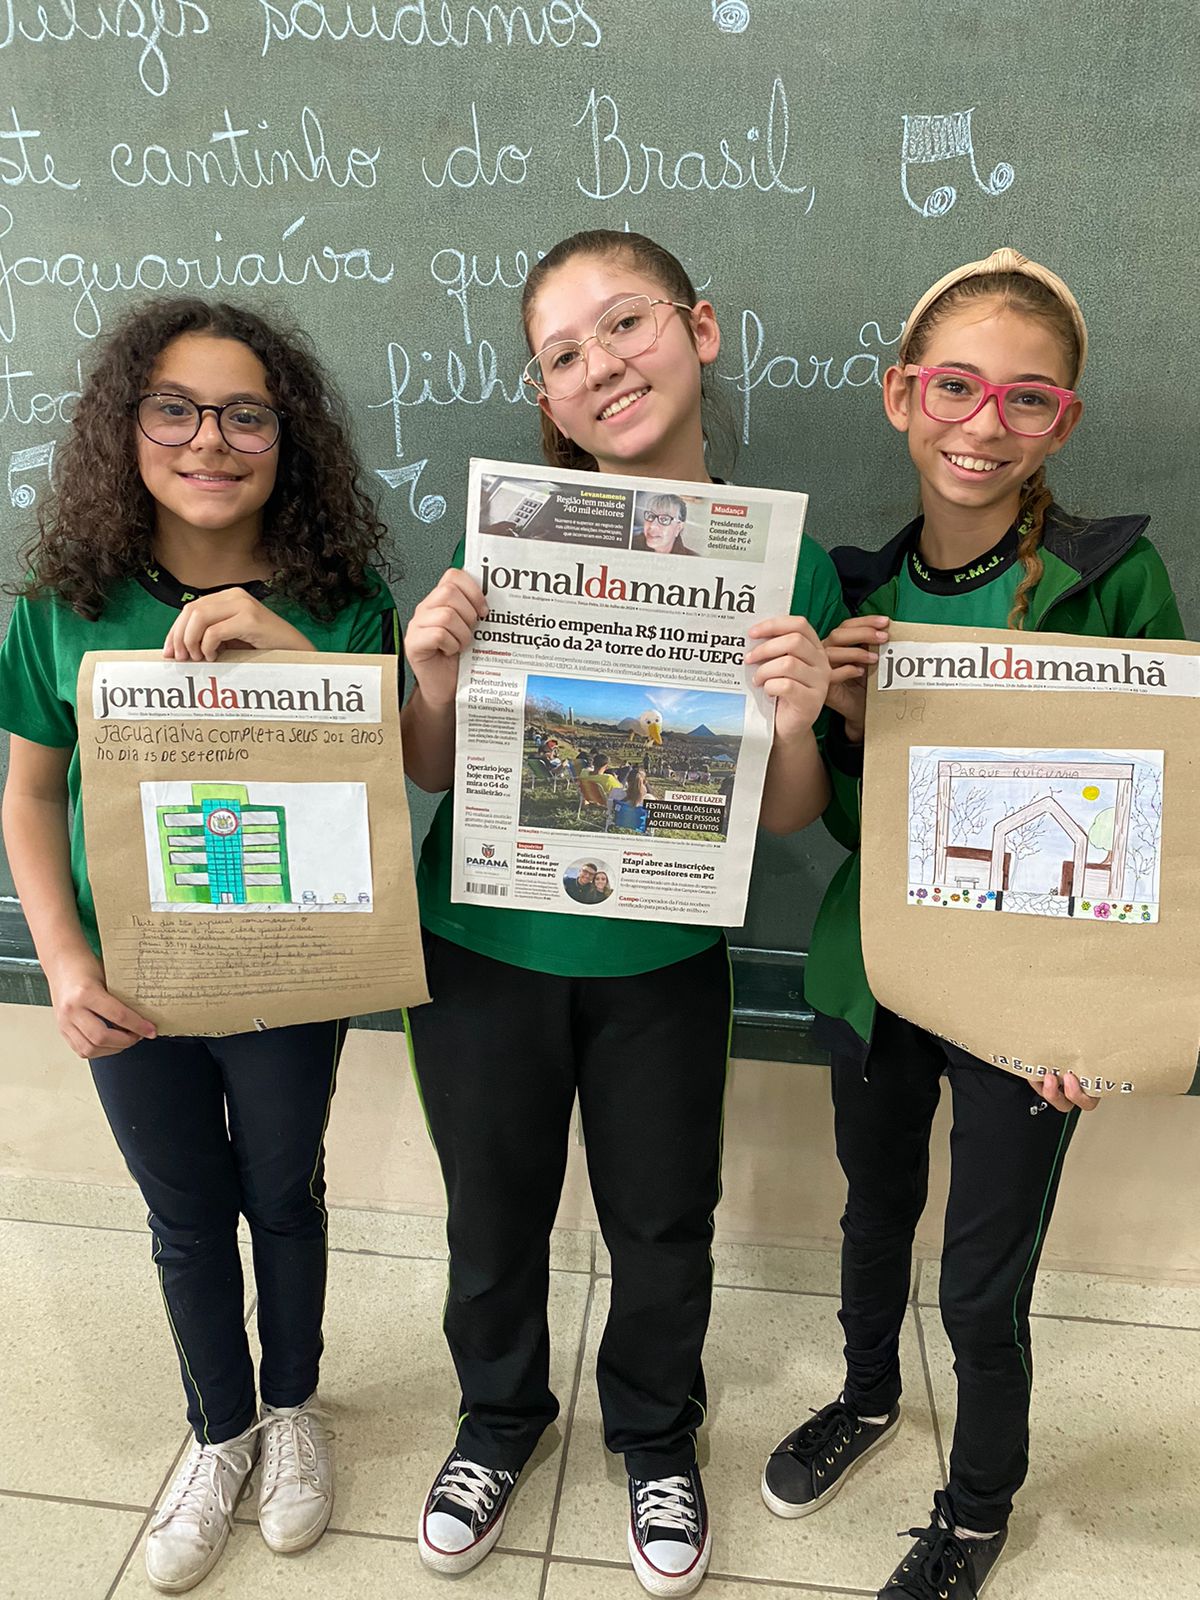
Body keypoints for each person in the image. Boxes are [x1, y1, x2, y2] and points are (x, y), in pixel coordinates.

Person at [401, 228, 845, 1596]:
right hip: (483, 941)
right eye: (565, 354)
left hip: (663, 953)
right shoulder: (507, 544)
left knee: (664, 1217)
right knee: (493, 1210)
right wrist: (428, 674)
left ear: (700, 332)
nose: (605, 365)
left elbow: (786, 817)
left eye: (628, 324)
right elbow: (434, 766)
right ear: (546, 396)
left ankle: (655, 1433)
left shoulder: (788, 565)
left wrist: (797, 712)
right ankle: (499, 1417)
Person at [762, 249, 1184, 1599]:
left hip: (1035, 998)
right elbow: (841, 831)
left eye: (1027, 399)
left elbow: (1162, 825)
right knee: (875, 1212)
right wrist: (838, 713)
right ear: (901, 396)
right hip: (880, 972)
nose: (982, 425)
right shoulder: (850, 585)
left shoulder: (1115, 579)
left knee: (982, 1282)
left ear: (1062, 419)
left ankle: (978, 1505)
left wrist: (1106, 1027)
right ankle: (869, 1396)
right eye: (954, 386)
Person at [0, 299, 398, 1595]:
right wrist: (63, 967)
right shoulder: (62, 605)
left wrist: (289, 655)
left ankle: (293, 1415)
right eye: (173, 407)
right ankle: (217, 1433)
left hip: (290, 979)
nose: (209, 439)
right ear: (128, 426)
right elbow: (26, 796)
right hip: (133, 983)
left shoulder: (344, 604)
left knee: (282, 1195)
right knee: (185, 1214)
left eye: (245, 413)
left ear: (289, 439)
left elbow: (386, 784)